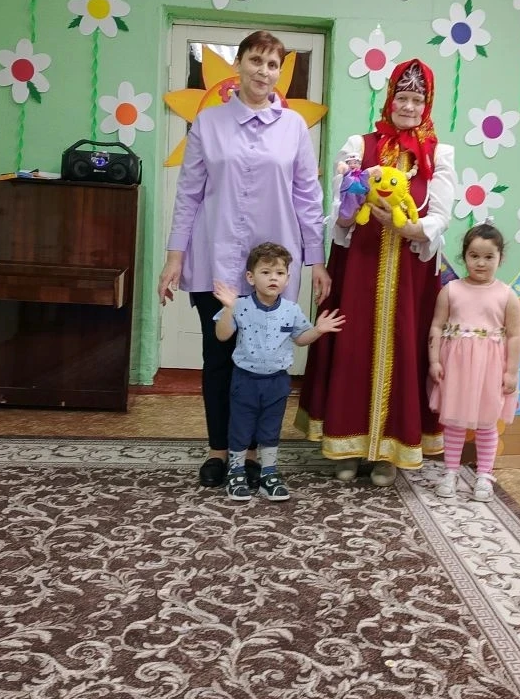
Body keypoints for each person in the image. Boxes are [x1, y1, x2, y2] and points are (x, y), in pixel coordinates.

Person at [157, 30, 330, 489]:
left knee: (265, 362)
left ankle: (253, 453)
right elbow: (189, 195)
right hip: (214, 261)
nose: (263, 71)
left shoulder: (294, 128)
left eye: (273, 64)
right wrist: (174, 258)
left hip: (273, 272)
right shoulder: (208, 123)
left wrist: (317, 260)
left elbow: (307, 196)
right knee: (219, 359)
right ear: (239, 64)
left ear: (279, 73)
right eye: (256, 60)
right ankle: (219, 451)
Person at [296, 58, 456, 486]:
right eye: (402, 97)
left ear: (427, 104)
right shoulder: (359, 146)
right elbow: (339, 215)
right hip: (359, 266)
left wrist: (406, 228)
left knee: (403, 349)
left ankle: (389, 452)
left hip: (410, 275)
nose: (409, 106)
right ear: (390, 99)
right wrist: (352, 202)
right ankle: (346, 444)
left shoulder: (439, 155)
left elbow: (441, 217)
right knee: (352, 347)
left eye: (417, 99)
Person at [214, 242, 345, 502]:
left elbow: (300, 339)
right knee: (240, 427)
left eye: (280, 273)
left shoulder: (291, 310)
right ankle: (236, 472)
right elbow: (222, 335)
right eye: (265, 272)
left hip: (277, 382)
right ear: (251, 277)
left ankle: (269, 474)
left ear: (287, 278)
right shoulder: (239, 305)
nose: (273, 278)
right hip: (245, 381)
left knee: (270, 429)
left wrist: (318, 330)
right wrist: (229, 308)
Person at [427, 223, 520, 502]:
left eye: (488, 257)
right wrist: (434, 361)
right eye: (474, 256)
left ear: (500, 258)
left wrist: (511, 372)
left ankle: (484, 475)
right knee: (455, 421)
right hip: (456, 368)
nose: (481, 263)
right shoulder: (451, 290)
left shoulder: (507, 295)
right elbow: (436, 326)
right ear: (464, 256)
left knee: (486, 423)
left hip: (490, 369)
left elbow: (515, 336)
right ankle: (451, 472)